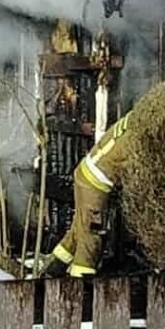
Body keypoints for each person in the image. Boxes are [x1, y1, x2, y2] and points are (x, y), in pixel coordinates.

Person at [44, 114, 133, 277]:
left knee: (80, 227)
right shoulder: (137, 136)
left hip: (86, 172)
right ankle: (82, 277)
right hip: (95, 183)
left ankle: (54, 267)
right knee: (92, 231)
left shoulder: (130, 122)